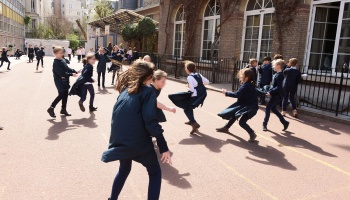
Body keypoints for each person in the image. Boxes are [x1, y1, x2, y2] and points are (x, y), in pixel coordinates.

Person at [102, 60, 172, 200]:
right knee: (155, 173)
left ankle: (112, 199)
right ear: (148, 77)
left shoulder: (125, 91)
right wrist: (163, 146)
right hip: (137, 142)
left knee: (124, 169)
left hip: (120, 140)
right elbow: (150, 122)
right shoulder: (148, 92)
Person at [216, 68, 258, 142]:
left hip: (250, 108)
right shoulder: (249, 84)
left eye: (242, 75)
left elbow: (237, 94)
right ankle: (226, 127)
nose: (240, 76)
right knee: (234, 115)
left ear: (247, 77)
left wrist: (226, 93)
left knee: (242, 122)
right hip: (245, 105)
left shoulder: (246, 85)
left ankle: (252, 134)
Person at [169, 61, 209, 132]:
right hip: (201, 94)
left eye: (185, 68)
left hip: (195, 95)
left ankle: (193, 123)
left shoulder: (190, 77)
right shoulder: (198, 74)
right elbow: (207, 82)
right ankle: (191, 121)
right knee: (189, 107)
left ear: (188, 69)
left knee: (186, 108)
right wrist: (200, 85)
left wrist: (187, 88)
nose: (185, 69)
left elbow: (192, 90)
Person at [47, 47, 80, 118]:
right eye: (60, 53)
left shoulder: (62, 60)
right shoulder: (56, 63)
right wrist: (71, 74)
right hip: (59, 82)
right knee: (61, 95)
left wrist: (75, 71)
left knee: (65, 95)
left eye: (62, 52)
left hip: (65, 81)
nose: (62, 54)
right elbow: (61, 73)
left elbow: (67, 68)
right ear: (55, 54)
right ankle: (51, 108)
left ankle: (63, 109)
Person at [263, 59, 290, 131]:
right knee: (273, 109)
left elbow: (279, 87)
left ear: (278, 66)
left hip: (277, 95)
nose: (273, 67)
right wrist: (269, 89)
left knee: (268, 108)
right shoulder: (276, 74)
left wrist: (270, 92)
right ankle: (285, 122)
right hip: (275, 94)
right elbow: (274, 86)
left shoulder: (280, 75)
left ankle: (264, 124)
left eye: (274, 65)